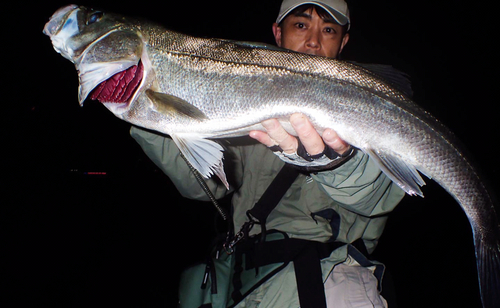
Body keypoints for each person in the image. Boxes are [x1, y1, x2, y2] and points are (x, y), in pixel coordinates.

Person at [130, 0, 405, 307]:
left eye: (328, 30)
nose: (313, 40)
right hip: (245, 285)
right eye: (301, 25)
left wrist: (334, 162)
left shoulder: (368, 102)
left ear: (343, 42)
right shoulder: (241, 105)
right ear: (277, 33)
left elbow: (376, 196)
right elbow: (203, 185)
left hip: (331, 281)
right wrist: (146, 112)